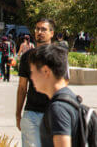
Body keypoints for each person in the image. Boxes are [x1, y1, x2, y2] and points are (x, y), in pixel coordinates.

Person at [28, 44, 82, 147]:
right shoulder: (70, 99)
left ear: (46, 71)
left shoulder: (58, 108)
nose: (31, 77)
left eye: (32, 72)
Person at [17, 19, 56, 147]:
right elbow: (22, 87)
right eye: (37, 29)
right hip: (31, 113)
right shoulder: (27, 57)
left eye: (43, 29)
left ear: (52, 33)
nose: (39, 32)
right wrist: (18, 114)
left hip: (53, 114)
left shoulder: (58, 56)